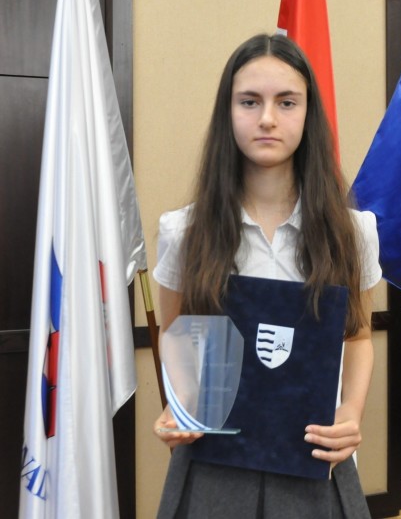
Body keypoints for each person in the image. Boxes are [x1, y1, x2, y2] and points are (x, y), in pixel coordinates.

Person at [152, 33, 382, 518]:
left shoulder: (352, 231)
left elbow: (358, 336)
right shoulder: (184, 231)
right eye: (249, 101)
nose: (268, 118)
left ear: (308, 113)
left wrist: (351, 412)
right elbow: (175, 332)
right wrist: (180, 404)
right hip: (213, 467)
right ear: (228, 111)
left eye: (287, 102)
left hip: (313, 461)